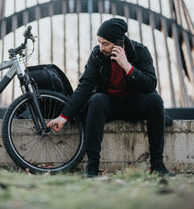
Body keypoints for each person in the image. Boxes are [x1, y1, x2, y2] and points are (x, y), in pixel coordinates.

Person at [47, 18, 172, 177]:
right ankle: (92, 165)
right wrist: (63, 117)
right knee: (97, 99)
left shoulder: (140, 51)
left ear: (119, 43)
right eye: (99, 42)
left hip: (134, 103)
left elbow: (150, 85)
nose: (101, 47)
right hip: (109, 105)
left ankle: (158, 165)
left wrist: (127, 66)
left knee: (155, 100)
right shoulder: (97, 55)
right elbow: (84, 88)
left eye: (105, 43)